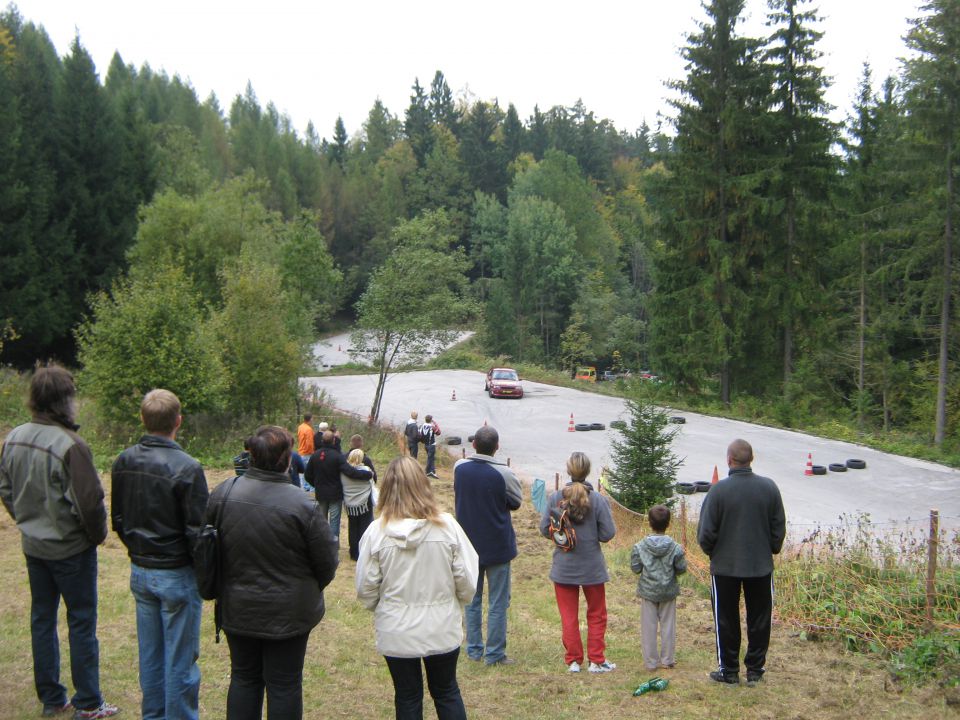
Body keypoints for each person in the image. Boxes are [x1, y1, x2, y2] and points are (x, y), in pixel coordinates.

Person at [0, 366, 119, 718]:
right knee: (81, 621)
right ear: (64, 400)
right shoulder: (71, 445)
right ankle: (88, 702)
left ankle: (52, 698)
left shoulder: (13, 436)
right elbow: (89, 503)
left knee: (42, 618)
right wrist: (96, 537)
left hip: (35, 545)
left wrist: (25, 519)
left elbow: (6, 489)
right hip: (69, 549)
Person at [206, 425, 339, 718]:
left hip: (241, 607)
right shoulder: (300, 503)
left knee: (245, 678)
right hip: (285, 612)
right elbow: (327, 562)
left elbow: (327, 564)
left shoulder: (222, 493)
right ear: (287, 459)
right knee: (282, 684)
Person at [111, 388, 209, 720]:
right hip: (172, 572)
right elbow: (198, 532)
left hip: (146, 569)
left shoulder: (128, 460)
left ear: (143, 418)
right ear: (178, 421)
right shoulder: (184, 467)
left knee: (152, 655)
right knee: (177, 659)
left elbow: (119, 520)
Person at [356, 457, 478, 720]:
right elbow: (467, 580)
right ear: (423, 485)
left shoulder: (376, 533)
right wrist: (457, 601)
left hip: (397, 628)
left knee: (408, 695)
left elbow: (366, 587)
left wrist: (385, 608)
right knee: (446, 690)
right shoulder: (447, 528)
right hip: (440, 625)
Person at [697, 438, 786, 687]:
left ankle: (729, 670)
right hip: (760, 565)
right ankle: (755, 670)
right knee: (760, 618)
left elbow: (705, 533)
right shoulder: (769, 488)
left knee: (726, 618)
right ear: (751, 460)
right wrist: (771, 549)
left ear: (729, 460)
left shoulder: (718, 491)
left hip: (725, 567)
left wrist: (714, 553)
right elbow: (778, 527)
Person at [538, 452, 617, 673]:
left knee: (568, 615)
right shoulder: (598, 499)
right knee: (597, 613)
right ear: (587, 471)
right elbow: (608, 533)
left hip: (564, 567)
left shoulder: (555, 498)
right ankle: (596, 660)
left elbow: (545, 529)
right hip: (592, 566)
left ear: (568, 470)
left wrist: (561, 538)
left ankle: (573, 660)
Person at [453, 426, 522, 666]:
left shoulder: (459, 468)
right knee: (498, 601)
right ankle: (494, 653)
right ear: (497, 447)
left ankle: (473, 649)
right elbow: (516, 502)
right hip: (497, 545)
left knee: (472, 599)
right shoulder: (504, 473)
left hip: (468, 544)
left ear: (473, 444)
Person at [631, 504, 687, 672]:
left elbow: (635, 568)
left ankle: (651, 662)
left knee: (648, 627)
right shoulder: (676, 547)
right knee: (668, 625)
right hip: (668, 591)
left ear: (649, 523)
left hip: (648, 591)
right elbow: (682, 568)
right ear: (668, 524)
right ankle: (667, 659)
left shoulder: (639, 546)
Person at [305, 430, 372, 545]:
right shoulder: (337, 456)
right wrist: (367, 474)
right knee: (334, 521)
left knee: (322, 520)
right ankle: (333, 545)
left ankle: (321, 543)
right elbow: (350, 472)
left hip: (321, 493)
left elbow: (307, 475)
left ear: (322, 440)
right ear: (334, 440)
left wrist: (316, 484)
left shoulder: (315, 455)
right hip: (335, 493)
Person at [341, 448, 375, 561]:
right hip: (364, 503)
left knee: (353, 527)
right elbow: (372, 482)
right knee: (364, 527)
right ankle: (363, 551)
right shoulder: (366, 470)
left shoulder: (344, 472)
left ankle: (353, 552)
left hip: (350, 503)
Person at [421, 414, 441, 479]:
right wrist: (435, 423)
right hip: (431, 445)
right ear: (431, 420)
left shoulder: (422, 426)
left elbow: (420, 433)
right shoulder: (432, 427)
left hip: (426, 445)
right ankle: (426, 472)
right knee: (430, 458)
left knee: (431, 458)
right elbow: (439, 432)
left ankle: (432, 472)